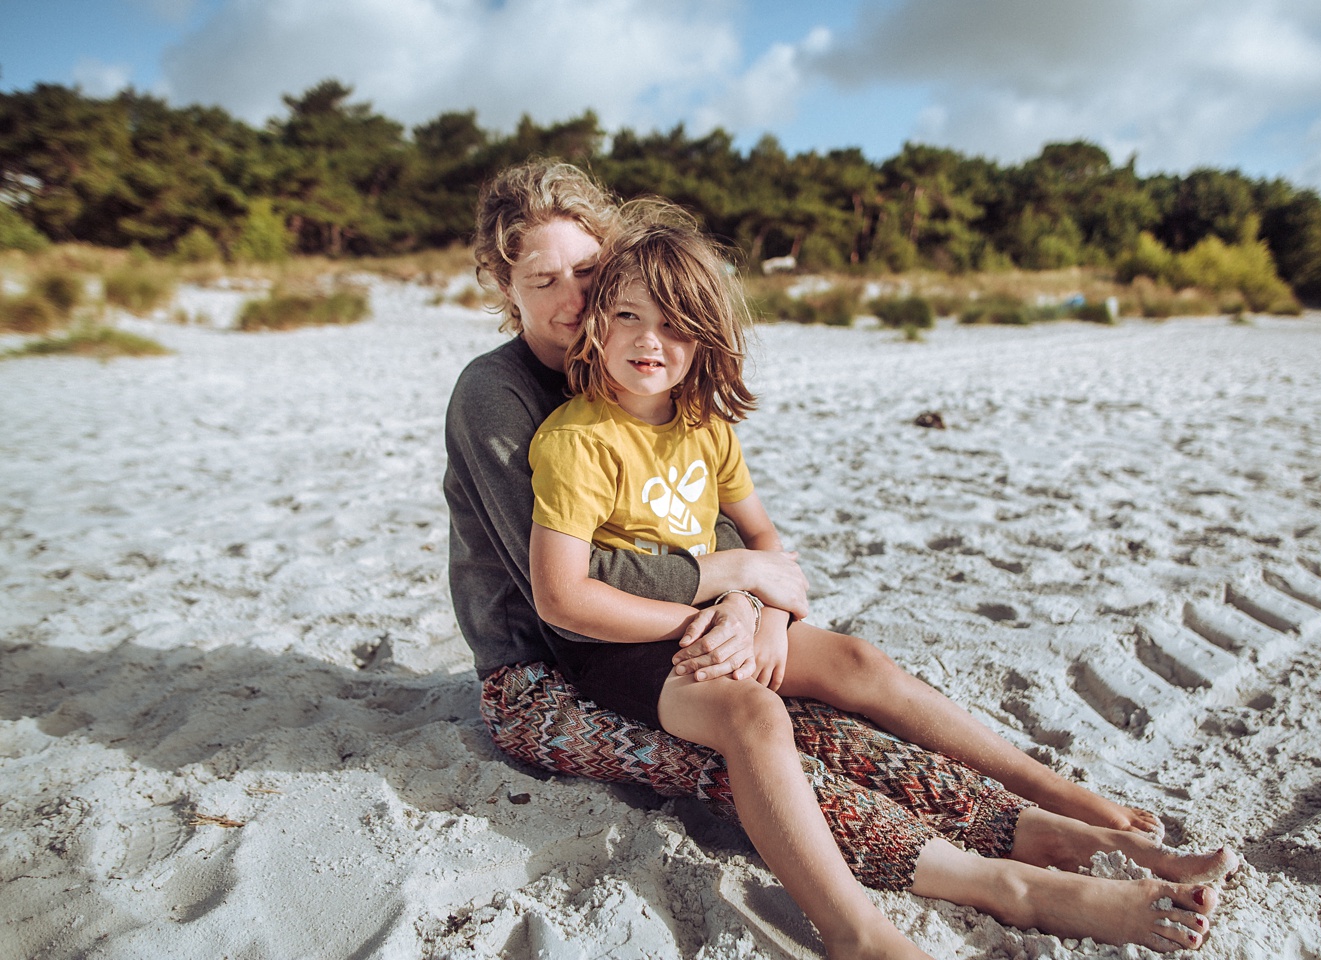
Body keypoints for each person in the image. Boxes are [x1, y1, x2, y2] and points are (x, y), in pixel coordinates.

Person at [445, 160, 1232, 957]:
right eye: (543, 280)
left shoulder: (665, 398)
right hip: (551, 672)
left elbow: (709, 528)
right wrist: (733, 588)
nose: (572, 299)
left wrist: (757, 609)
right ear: (502, 284)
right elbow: (573, 593)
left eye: (586, 271)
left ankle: (1043, 822)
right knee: (765, 751)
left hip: (678, 635)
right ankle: (976, 898)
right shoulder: (515, 404)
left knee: (845, 704)